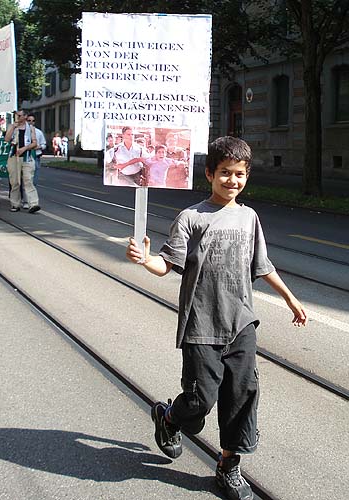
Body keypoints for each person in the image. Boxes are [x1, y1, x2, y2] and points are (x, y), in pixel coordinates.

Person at [126, 136, 307, 500]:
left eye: (239, 174)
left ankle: (228, 465)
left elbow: (262, 266)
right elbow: (168, 264)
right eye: (224, 173)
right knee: (199, 401)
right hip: (201, 327)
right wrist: (147, 261)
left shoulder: (249, 217)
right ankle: (170, 418)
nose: (232, 181)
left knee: (242, 395)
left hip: (241, 324)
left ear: (247, 176)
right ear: (209, 174)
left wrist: (290, 298)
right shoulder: (192, 217)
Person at [5, 109, 41, 213]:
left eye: (20, 115)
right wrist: (13, 127)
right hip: (14, 157)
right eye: (16, 115)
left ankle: (33, 204)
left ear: (25, 116)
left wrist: (24, 149)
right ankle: (15, 204)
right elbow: (7, 139)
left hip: (27, 157)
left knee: (28, 180)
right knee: (15, 181)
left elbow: (34, 143)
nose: (18, 117)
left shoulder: (30, 128)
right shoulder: (12, 126)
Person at [26, 114, 46, 186]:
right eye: (29, 120)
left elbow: (44, 144)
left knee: (35, 170)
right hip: (25, 155)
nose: (31, 122)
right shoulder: (23, 131)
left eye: (33, 121)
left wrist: (39, 147)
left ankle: (33, 185)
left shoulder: (39, 132)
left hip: (36, 155)